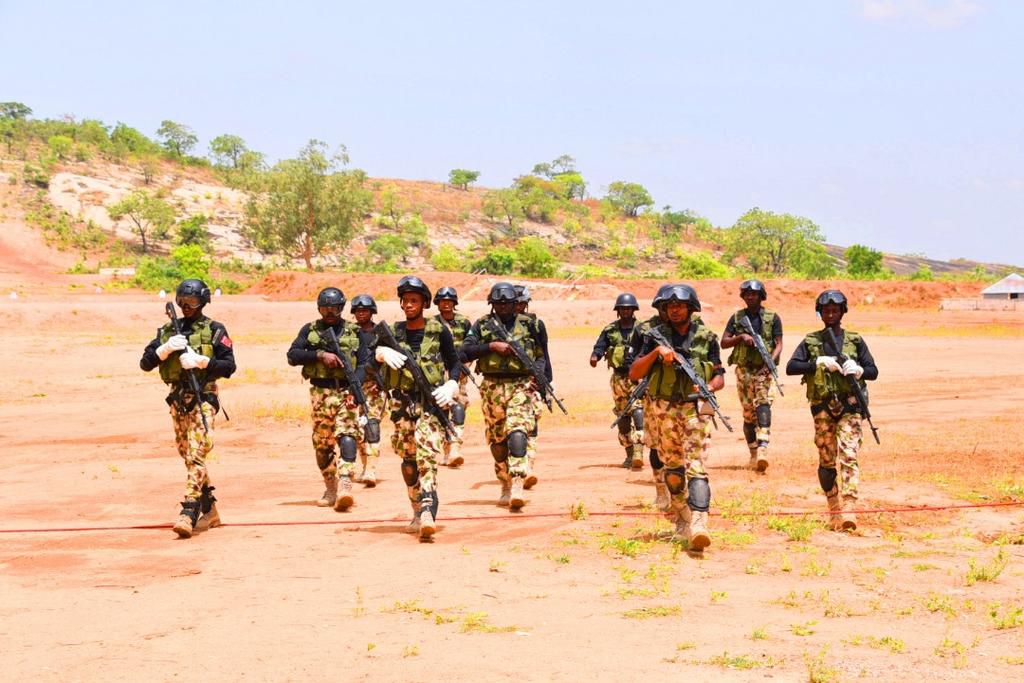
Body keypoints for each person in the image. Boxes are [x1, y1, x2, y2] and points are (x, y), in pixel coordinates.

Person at [629, 284, 724, 551]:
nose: (674, 310)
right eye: (670, 306)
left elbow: (719, 374)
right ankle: (681, 515)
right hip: (663, 409)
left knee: (696, 465)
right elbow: (634, 373)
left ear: (691, 308)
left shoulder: (705, 337)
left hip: (695, 409)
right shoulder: (653, 336)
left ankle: (699, 521)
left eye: (680, 305)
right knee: (672, 467)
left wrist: (710, 386)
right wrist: (656, 354)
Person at [139, 279, 236, 539]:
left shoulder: (215, 330)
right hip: (178, 400)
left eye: (192, 302)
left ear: (203, 301)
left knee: (197, 451)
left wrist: (203, 362)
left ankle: (189, 510)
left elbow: (229, 366)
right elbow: (145, 363)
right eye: (182, 302)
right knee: (187, 453)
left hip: (204, 397)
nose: (186, 307)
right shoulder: (168, 330)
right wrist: (163, 349)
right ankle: (210, 508)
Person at [375, 276, 462, 542]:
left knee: (427, 457)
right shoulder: (393, 331)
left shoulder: (439, 331)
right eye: (405, 300)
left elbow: (454, 362)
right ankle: (415, 509)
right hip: (401, 403)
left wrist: (451, 384)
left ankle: (427, 511)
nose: (409, 305)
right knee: (409, 462)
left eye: (414, 300)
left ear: (424, 303)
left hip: (430, 403)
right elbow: (366, 361)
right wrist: (380, 353)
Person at [785, 290, 878, 531]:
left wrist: (857, 369)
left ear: (842, 311)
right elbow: (791, 367)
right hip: (823, 407)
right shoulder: (811, 341)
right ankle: (833, 506)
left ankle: (849, 507)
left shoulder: (855, 340)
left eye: (835, 310)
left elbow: (873, 371)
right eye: (826, 310)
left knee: (849, 455)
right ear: (820, 312)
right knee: (827, 460)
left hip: (851, 407)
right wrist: (816, 362)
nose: (830, 313)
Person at [286, 287, 374, 512]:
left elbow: (365, 363)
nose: (330, 313)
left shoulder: (355, 332)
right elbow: (292, 355)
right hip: (320, 394)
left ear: (341, 308)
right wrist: (318, 355)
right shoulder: (310, 330)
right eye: (325, 309)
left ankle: (345, 482)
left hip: (346, 391)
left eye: (334, 308)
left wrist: (357, 391)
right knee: (322, 444)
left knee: (348, 436)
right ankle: (330, 487)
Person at [462, 282, 547, 510]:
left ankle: (518, 481)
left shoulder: (533, 325)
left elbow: (542, 356)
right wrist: (491, 346)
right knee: (497, 441)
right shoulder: (482, 325)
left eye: (507, 303)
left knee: (517, 431)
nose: (503, 307)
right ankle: (505, 483)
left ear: (514, 303)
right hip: (492, 388)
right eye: (498, 304)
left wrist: (541, 381)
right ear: (492, 305)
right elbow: (463, 353)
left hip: (521, 384)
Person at [720, 279, 783, 473]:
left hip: (763, 370)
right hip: (744, 371)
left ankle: (763, 447)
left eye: (754, 294)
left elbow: (779, 344)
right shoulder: (737, 317)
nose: (750, 297)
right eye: (747, 294)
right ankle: (754, 453)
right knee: (748, 415)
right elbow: (723, 342)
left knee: (763, 403)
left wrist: (769, 363)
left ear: (761, 296)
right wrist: (741, 338)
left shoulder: (772, 318)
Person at [590, 293, 645, 469]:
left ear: (634, 310)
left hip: (637, 378)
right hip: (618, 379)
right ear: (618, 310)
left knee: (638, 411)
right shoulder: (610, 330)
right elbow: (600, 346)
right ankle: (629, 453)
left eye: (628, 308)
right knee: (623, 417)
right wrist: (595, 356)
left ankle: (639, 451)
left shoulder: (643, 329)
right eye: (622, 308)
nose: (625, 311)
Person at [513, 284, 551, 489]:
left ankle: (529, 465)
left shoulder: (536, 325)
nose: (518, 307)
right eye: (515, 303)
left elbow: (543, 353)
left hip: (534, 380)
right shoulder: (500, 324)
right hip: (510, 384)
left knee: (532, 423)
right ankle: (518, 465)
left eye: (521, 304)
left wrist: (546, 380)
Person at [349, 294, 387, 487]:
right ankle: (364, 465)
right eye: (358, 310)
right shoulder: (350, 333)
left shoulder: (382, 333)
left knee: (371, 425)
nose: (361, 313)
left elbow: (392, 359)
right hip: (353, 385)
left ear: (372, 312)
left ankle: (371, 469)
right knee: (355, 427)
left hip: (375, 387)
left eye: (365, 310)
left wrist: (382, 383)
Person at [433, 286, 472, 468]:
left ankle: (456, 446)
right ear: (437, 303)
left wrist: (467, 367)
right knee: (442, 411)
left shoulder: (464, 323)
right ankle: (447, 451)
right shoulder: (432, 323)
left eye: (449, 301)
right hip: (438, 374)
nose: (446, 304)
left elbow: (472, 347)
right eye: (443, 301)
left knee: (458, 407)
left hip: (460, 373)